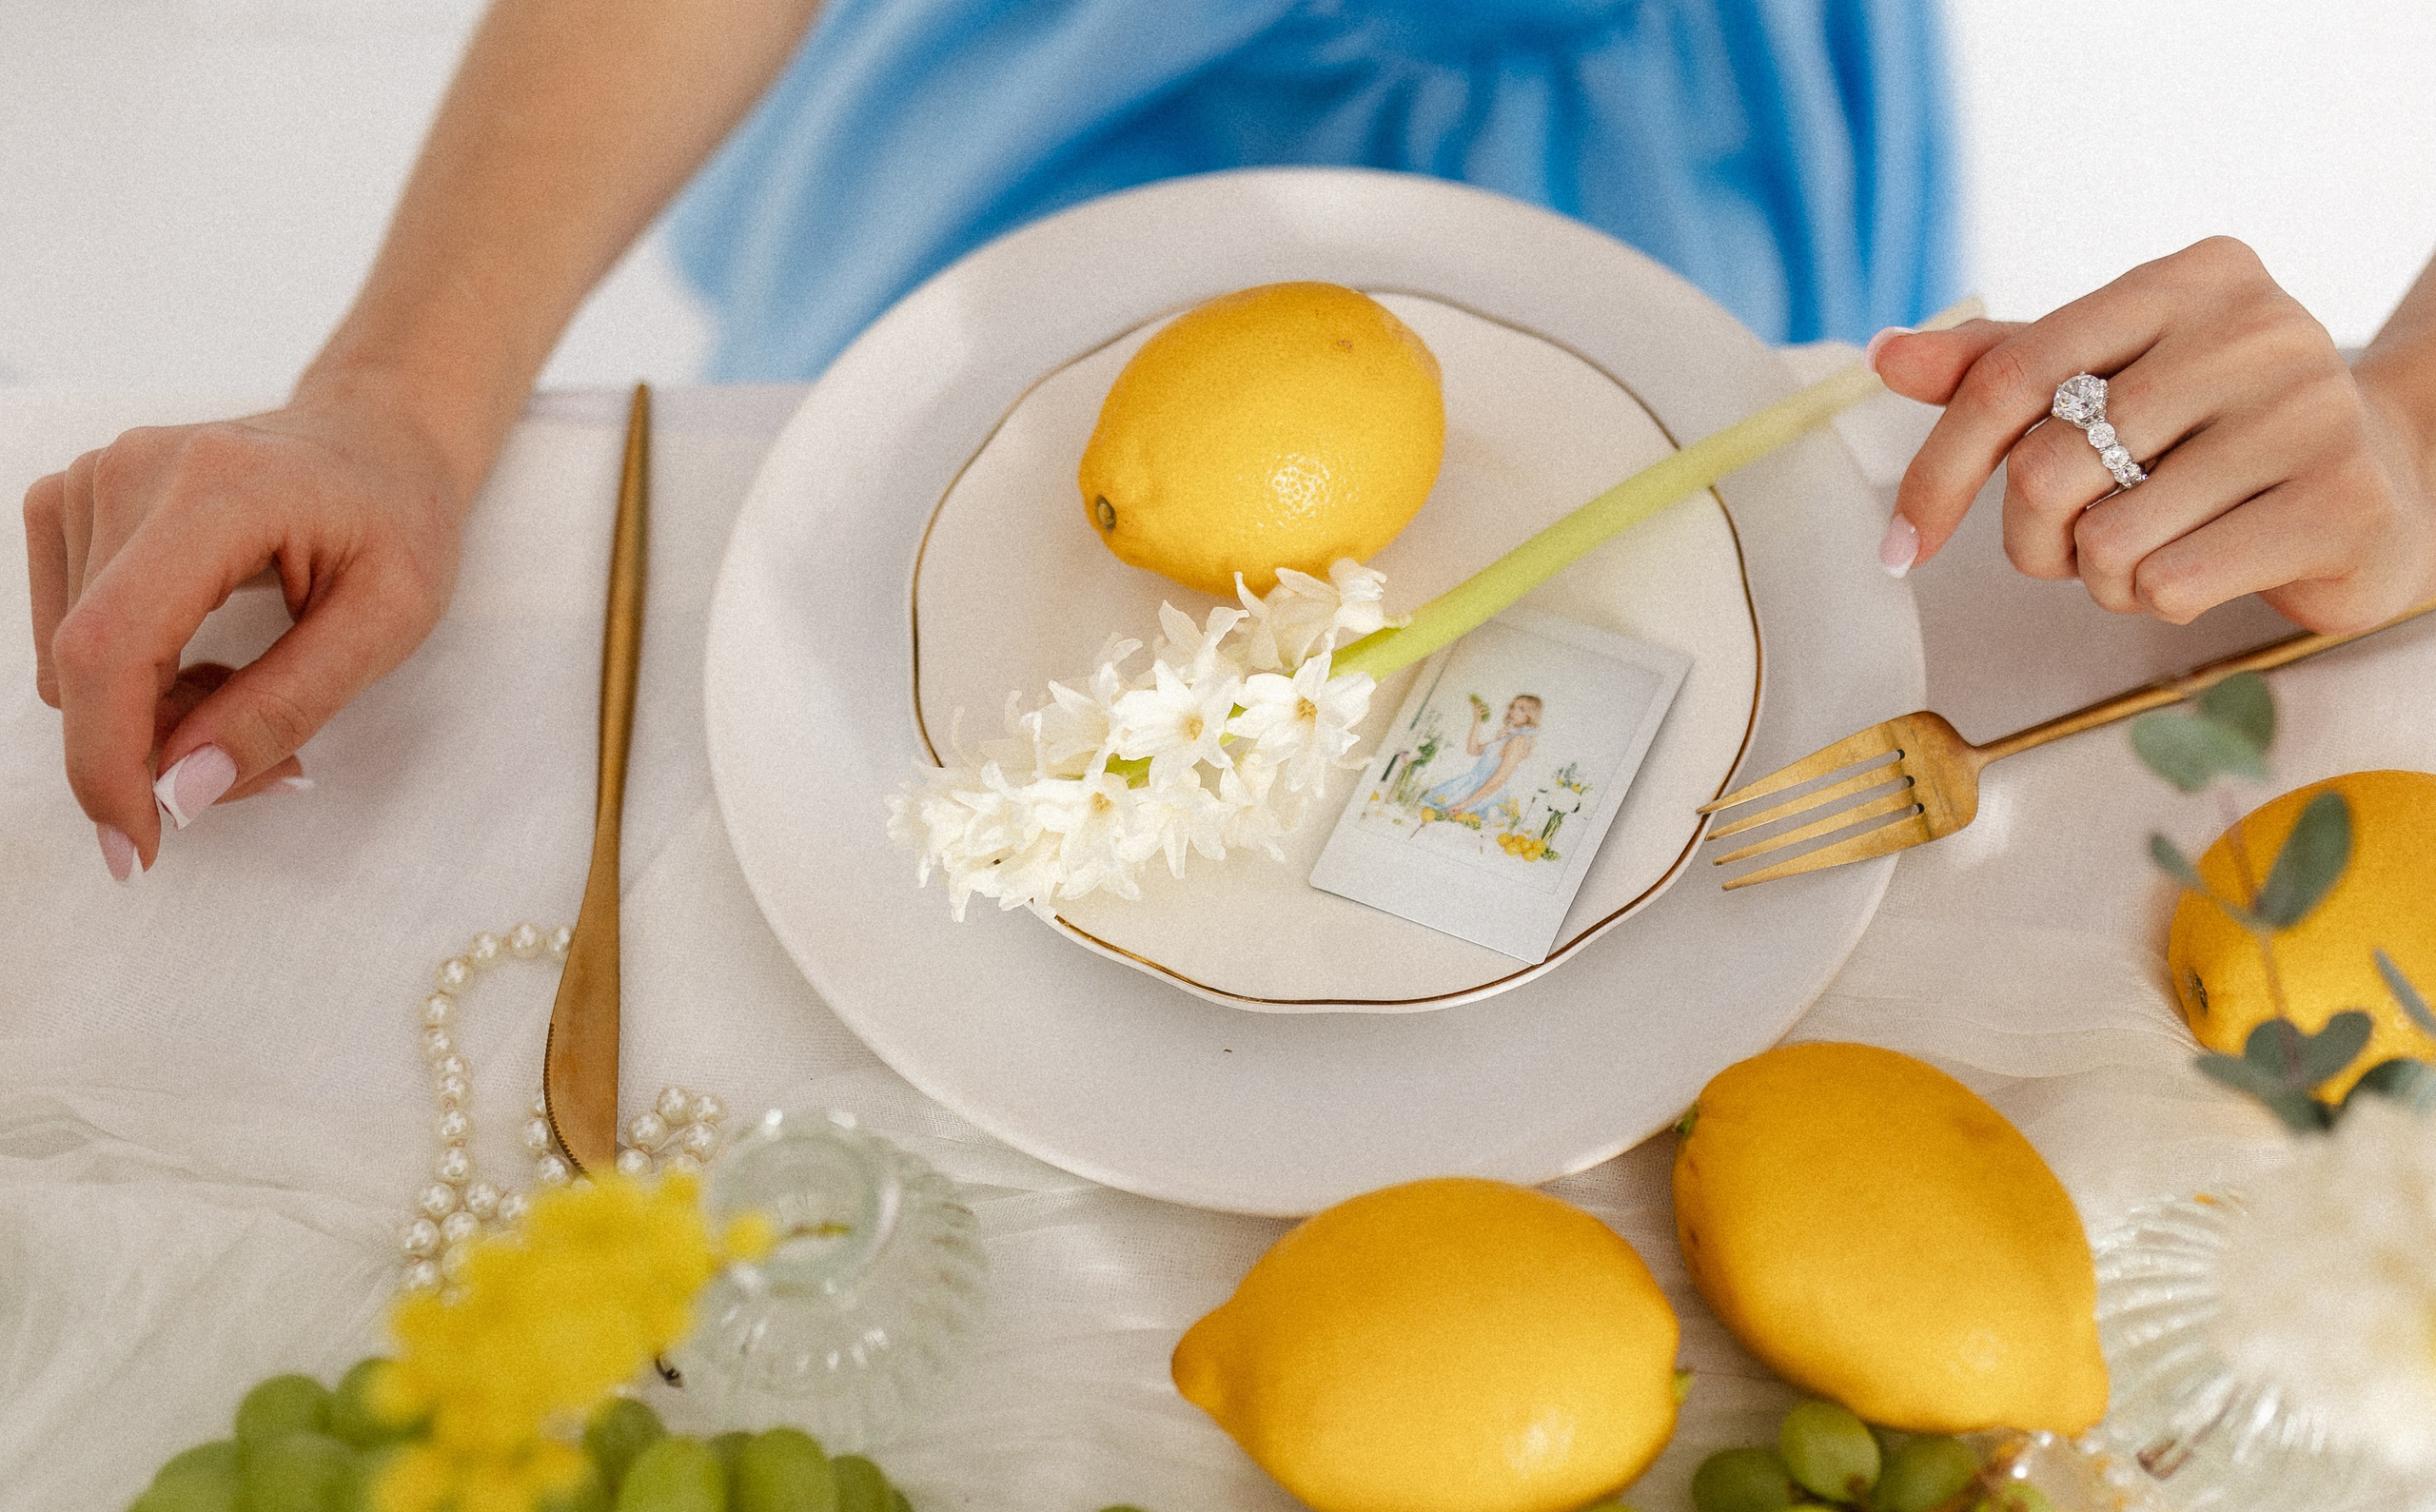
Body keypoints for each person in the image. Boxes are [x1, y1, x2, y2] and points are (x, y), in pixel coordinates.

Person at [19, 0, 2436, 880]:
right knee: (912, 599)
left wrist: (2413, 423)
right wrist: (401, 396)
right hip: (1042, 99)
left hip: (1689, 131)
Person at [1424, 695, 1542, 822]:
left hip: (1485, 794)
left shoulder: (1518, 740)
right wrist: (1477, 719)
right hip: (1470, 784)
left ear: (1530, 715)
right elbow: (1473, 750)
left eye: (1522, 709)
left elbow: (1500, 779)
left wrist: (1466, 803)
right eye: (1513, 707)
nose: (1513, 711)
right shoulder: (1509, 736)